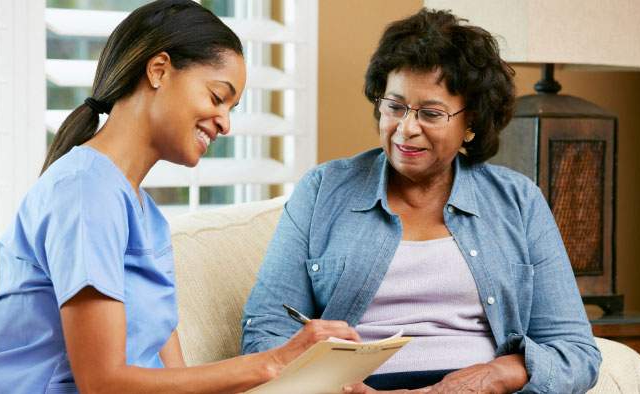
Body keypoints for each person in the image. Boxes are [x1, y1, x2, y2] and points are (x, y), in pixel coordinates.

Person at [0, 1, 360, 393]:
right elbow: (102, 383)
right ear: (158, 70)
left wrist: (304, 373)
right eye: (216, 97)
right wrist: (272, 362)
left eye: (232, 108)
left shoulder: (147, 216)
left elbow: (175, 381)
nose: (226, 123)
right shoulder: (84, 192)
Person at [241, 8, 601, 394]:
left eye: (430, 113)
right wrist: (324, 383)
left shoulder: (518, 201)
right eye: (394, 107)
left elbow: (576, 353)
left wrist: (496, 375)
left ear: (472, 123)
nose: (406, 129)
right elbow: (265, 329)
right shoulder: (323, 190)